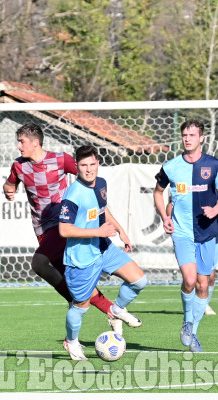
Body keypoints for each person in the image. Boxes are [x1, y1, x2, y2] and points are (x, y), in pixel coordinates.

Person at [3, 123, 120, 330]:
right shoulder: (19, 165)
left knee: (39, 263)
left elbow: (88, 179)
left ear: (35, 142)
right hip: (41, 229)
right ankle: (113, 311)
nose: (18, 146)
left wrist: (99, 213)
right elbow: (10, 184)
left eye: (22, 141)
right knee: (73, 280)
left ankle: (79, 303)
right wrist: (8, 190)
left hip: (62, 224)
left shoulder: (61, 160)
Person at [59, 145, 147, 361]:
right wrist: (98, 230)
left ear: (98, 163)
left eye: (92, 164)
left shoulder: (101, 183)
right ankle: (71, 342)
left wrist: (121, 231)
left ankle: (116, 310)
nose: (88, 169)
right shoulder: (73, 194)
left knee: (139, 281)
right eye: (83, 165)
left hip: (103, 247)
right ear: (77, 167)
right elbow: (64, 229)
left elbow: (103, 209)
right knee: (80, 307)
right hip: (81, 259)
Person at [154, 119, 218, 352]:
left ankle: (192, 331)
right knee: (189, 280)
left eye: (192, 135)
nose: (187, 138)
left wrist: (216, 209)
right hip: (183, 232)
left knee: (204, 286)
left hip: (208, 232)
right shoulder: (171, 167)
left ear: (201, 138)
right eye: (185, 135)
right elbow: (158, 192)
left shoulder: (214, 165)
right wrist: (164, 217)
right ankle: (188, 320)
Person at [166, 198, 218, 316]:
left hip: (211, 238)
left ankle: (204, 303)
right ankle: (192, 309)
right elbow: (171, 204)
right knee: (192, 277)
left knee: (211, 276)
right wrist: (168, 217)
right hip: (190, 237)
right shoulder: (190, 188)